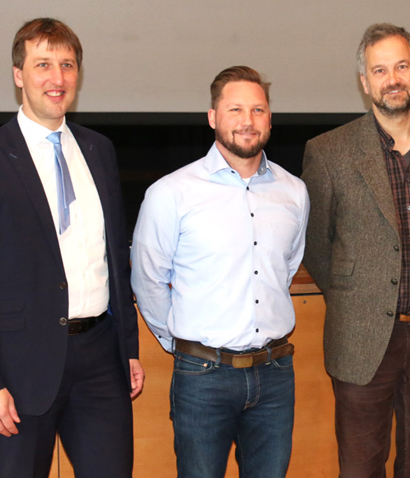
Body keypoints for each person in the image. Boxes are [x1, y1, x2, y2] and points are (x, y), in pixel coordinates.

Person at [301, 23, 410, 477]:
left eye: (401, 66)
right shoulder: (329, 152)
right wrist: (361, 296)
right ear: (365, 83)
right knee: (360, 467)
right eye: (380, 69)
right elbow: (317, 247)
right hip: (361, 339)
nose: (392, 77)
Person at [131, 65, 309, 478]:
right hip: (202, 377)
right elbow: (148, 279)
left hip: (276, 372)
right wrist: (180, 342)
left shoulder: (294, 191)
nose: (247, 121)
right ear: (213, 117)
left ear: (270, 118)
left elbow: (285, 267)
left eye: (258, 110)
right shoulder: (171, 193)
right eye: (235, 110)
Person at [0, 18, 144, 478]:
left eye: (67, 64)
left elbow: (113, 261)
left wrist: (129, 349)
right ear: (19, 74)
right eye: (43, 64)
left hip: (101, 361)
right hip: (20, 368)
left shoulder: (99, 150)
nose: (57, 78)